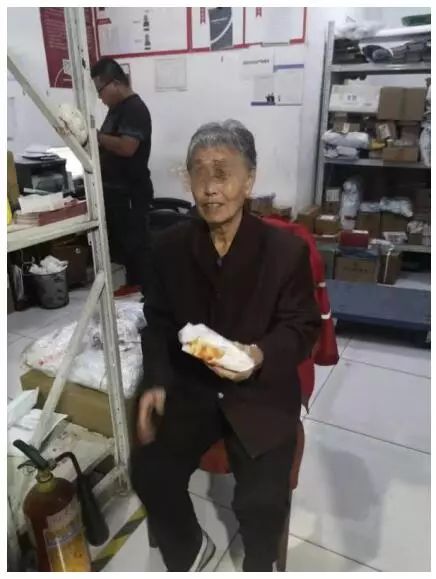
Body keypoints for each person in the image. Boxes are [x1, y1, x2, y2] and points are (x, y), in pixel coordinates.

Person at [130, 120, 321, 572]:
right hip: (193, 387)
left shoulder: (285, 252)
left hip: (260, 393)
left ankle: (259, 564)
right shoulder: (169, 247)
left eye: (223, 172)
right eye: (199, 172)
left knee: (261, 501)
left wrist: (259, 355)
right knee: (148, 471)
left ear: (249, 180)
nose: (210, 187)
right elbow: (158, 321)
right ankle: (190, 550)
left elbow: (302, 326)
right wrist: (155, 379)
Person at [91, 57, 153, 296]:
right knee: (126, 244)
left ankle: (144, 290)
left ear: (116, 83)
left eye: (100, 90)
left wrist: (97, 137)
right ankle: (133, 283)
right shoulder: (116, 110)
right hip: (116, 190)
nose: (100, 97)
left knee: (137, 242)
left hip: (131, 191)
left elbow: (127, 147)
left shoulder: (134, 109)